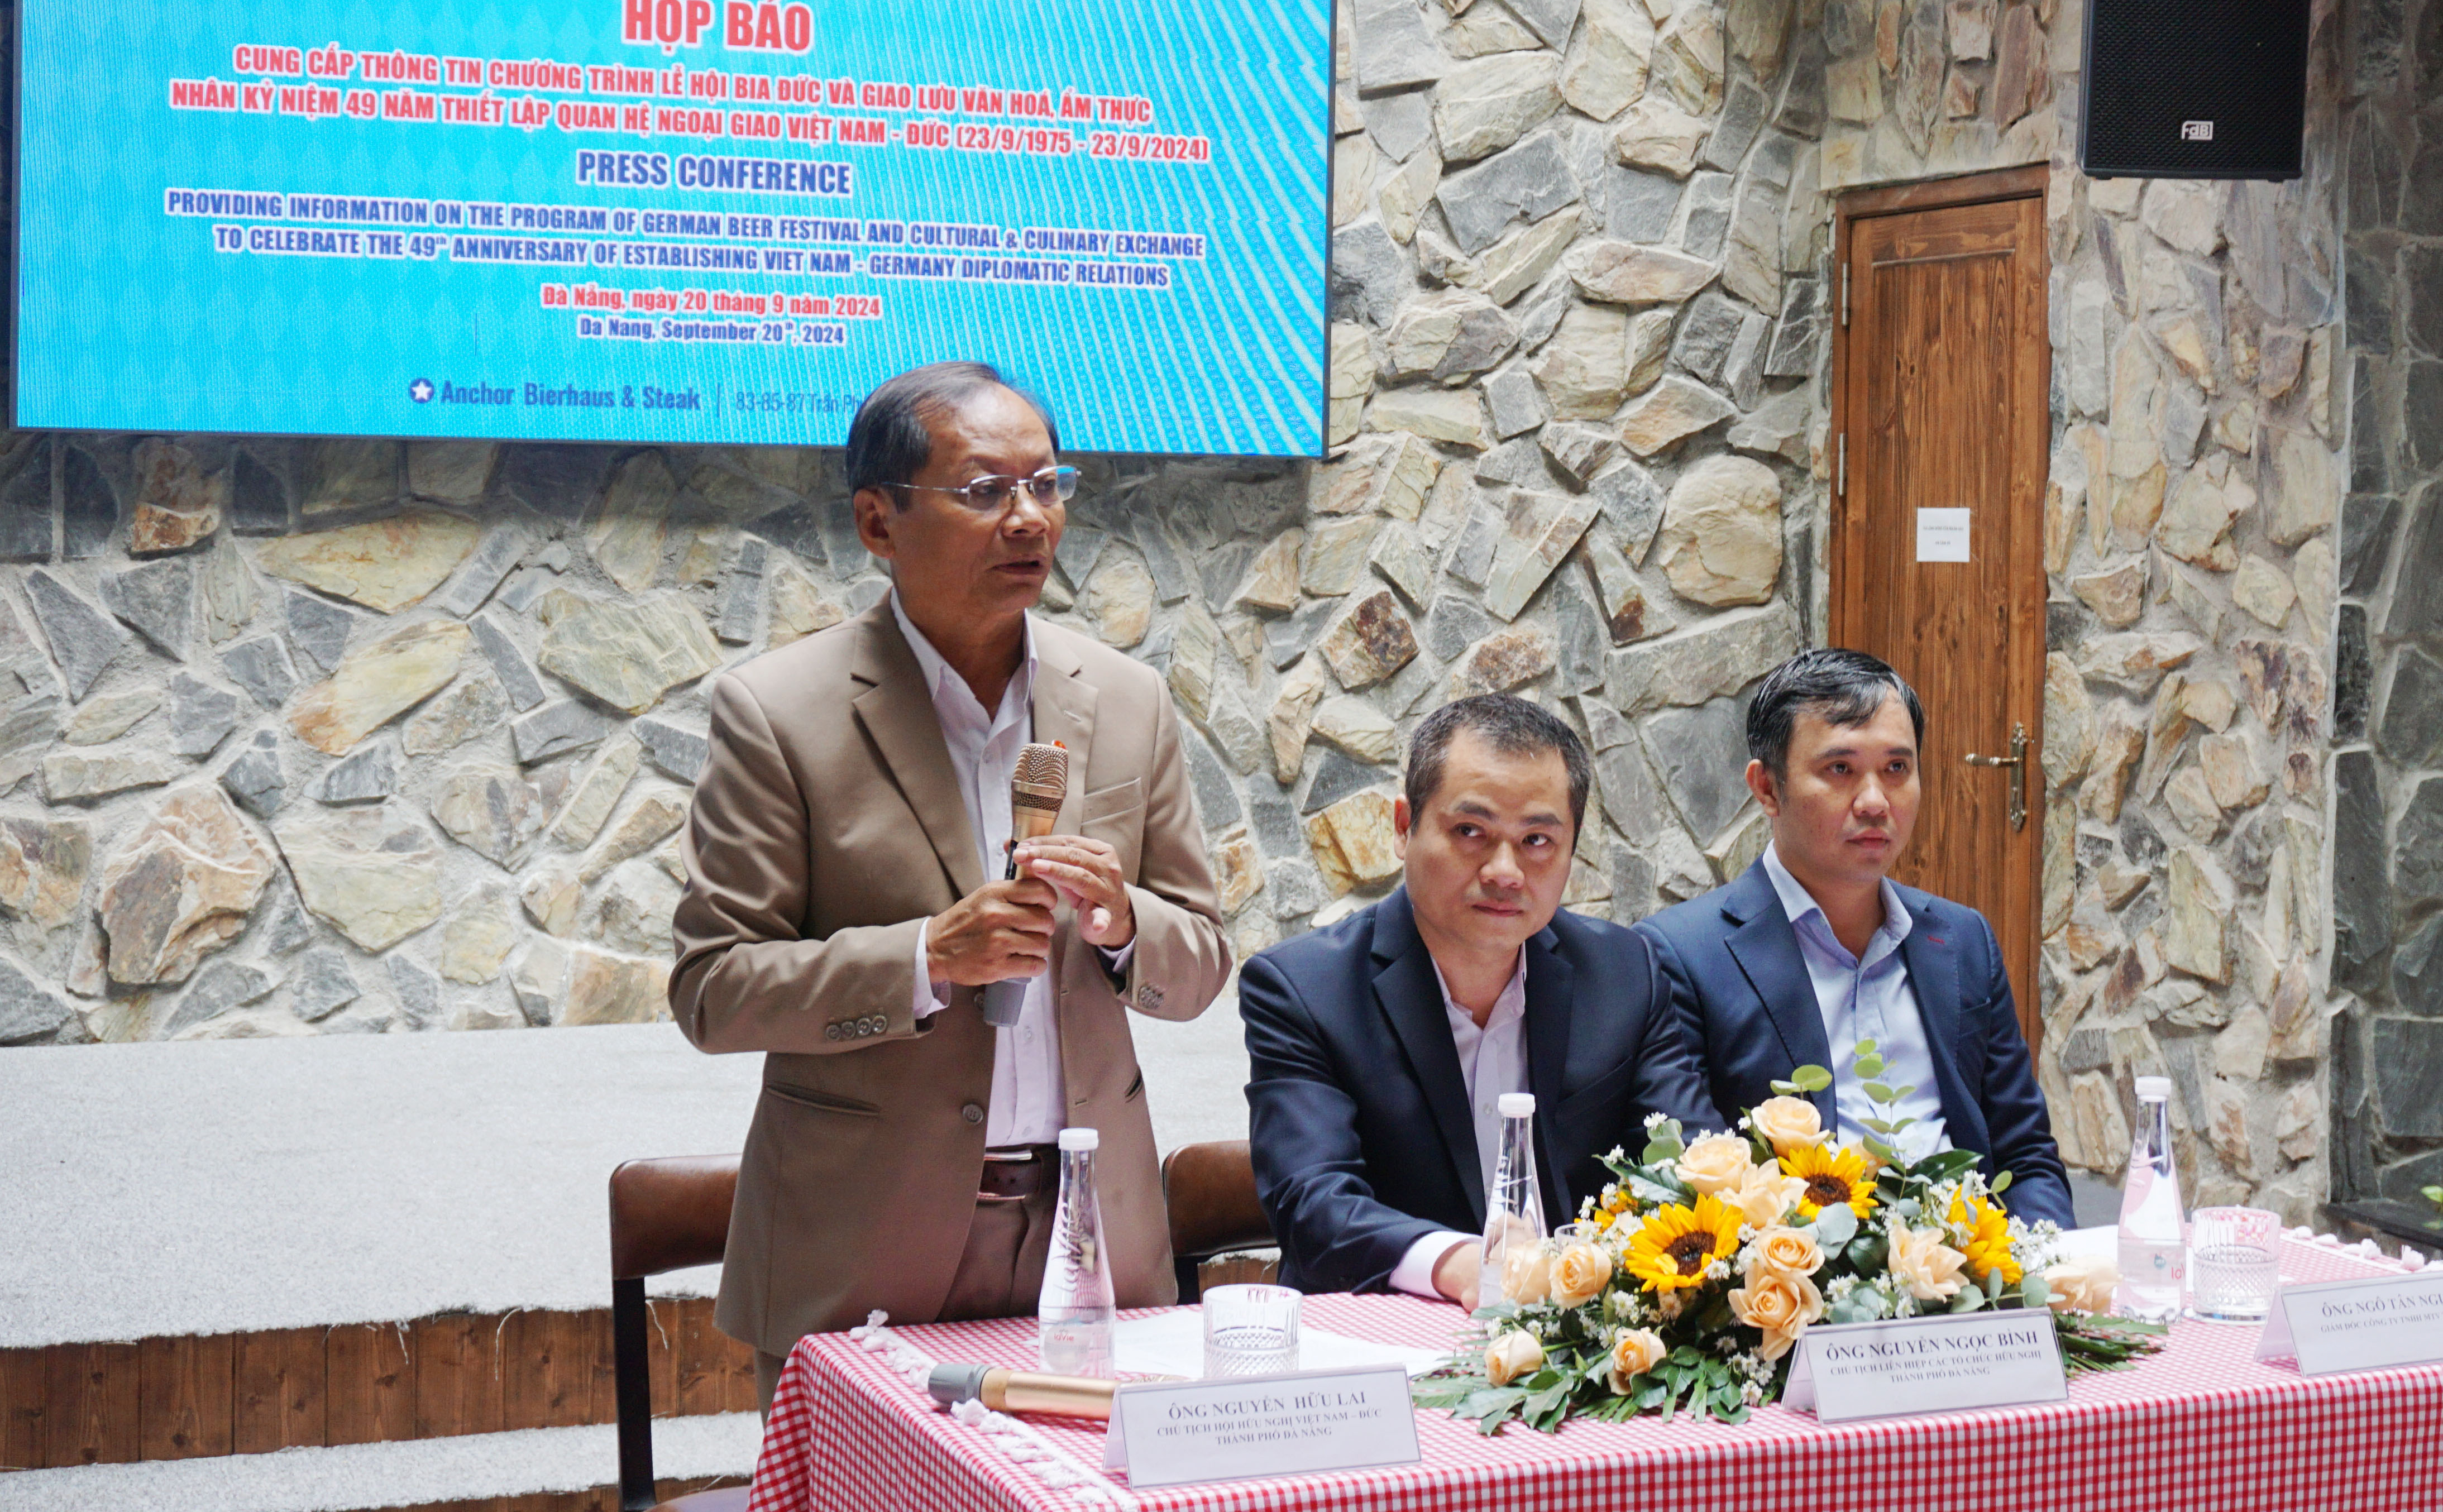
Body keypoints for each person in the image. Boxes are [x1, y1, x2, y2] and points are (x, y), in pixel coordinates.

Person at [670, 361, 1233, 1406]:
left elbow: (1199, 966)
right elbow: (712, 990)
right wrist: (926, 959)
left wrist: (1121, 926)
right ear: (878, 523)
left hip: (1089, 1232)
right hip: (863, 1244)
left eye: (1048, 484)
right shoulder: (778, 712)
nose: (1029, 520)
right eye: (985, 491)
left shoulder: (1126, 699)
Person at [1241, 694, 1724, 1303]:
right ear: (1402, 826)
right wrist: (1461, 1261)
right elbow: (1312, 1205)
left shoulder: (1626, 972)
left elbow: (1692, 1168)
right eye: (1470, 831)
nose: (1505, 870)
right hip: (1382, 1341)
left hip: (1584, 1341)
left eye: (1537, 840)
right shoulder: (1304, 990)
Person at [1639, 647, 2073, 1228]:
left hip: (1975, 1289)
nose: (1874, 802)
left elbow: (2025, 1157)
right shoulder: (1679, 954)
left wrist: (2041, 1272)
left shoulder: (1963, 940)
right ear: (1766, 788)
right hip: (1803, 1296)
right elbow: (1695, 1182)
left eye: (1896, 769)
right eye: (1840, 769)